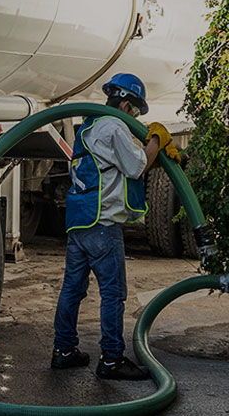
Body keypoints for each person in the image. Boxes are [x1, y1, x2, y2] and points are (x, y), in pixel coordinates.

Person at [51, 73, 178, 382]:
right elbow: (135, 166)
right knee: (113, 294)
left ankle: (64, 351)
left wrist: (152, 155)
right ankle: (111, 359)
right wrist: (157, 141)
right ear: (125, 102)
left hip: (79, 223)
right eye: (134, 110)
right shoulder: (114, 125)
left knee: (72, 290)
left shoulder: (89, 128)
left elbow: (115, 167)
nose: (134, 117)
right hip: (103, 225)